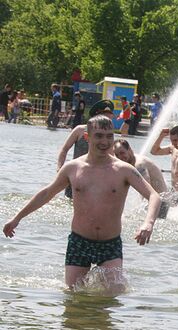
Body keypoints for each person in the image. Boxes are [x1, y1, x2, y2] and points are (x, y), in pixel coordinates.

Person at [3, 114, 161, 293]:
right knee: (73, 294)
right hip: (79, 242)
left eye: (109, 136)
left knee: (115, 291)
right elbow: (47, 193)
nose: (105, 141)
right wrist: (17, 218)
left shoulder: (124, 170)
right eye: (99, 136)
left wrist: (148, 223)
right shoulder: (73, 168)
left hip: (110, 244)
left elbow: (154, 196)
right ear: (87, 137)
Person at [57, 100, 115, 198]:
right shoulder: (79, 130)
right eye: (106, 117)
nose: (109, 120)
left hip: (96, 179)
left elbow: (112, 159)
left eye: (110, 117)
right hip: (76, 175)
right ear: (97, 116)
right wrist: (59, 169)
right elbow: (64, 149)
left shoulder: (109, 138)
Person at [113, 139, 170, 219]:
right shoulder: (129, 163)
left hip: (160, 204)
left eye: (122, 153)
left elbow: (147, 189)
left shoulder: (139, 165)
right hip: (156, 202)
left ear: (129, 149)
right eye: (117, 155)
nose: (120, 157)